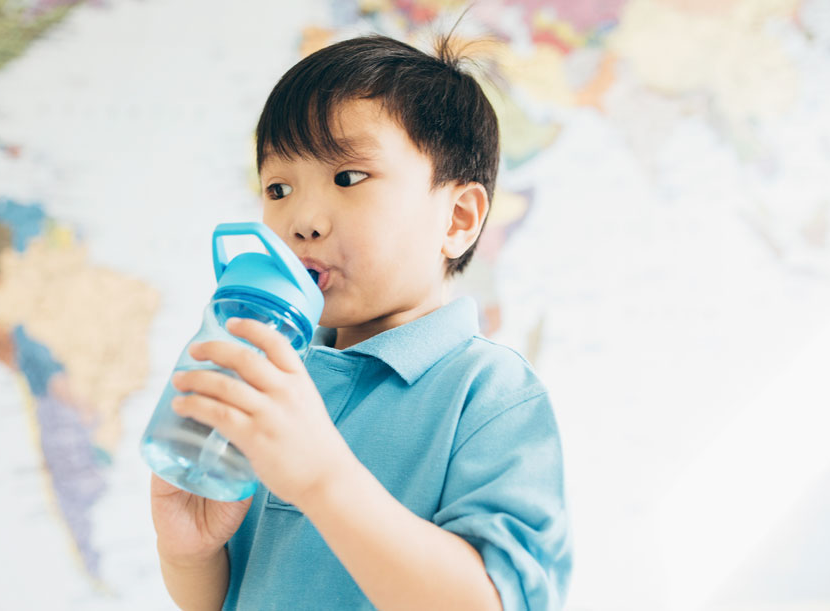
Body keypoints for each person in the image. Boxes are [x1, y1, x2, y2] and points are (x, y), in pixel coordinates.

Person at [150, 34, 572, 610]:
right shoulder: (277, 378)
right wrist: (189, 555)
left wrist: (322, 479)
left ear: (458, 218)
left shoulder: (490, 393)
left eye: (348, 178)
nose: (302, 220)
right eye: (278, 188)